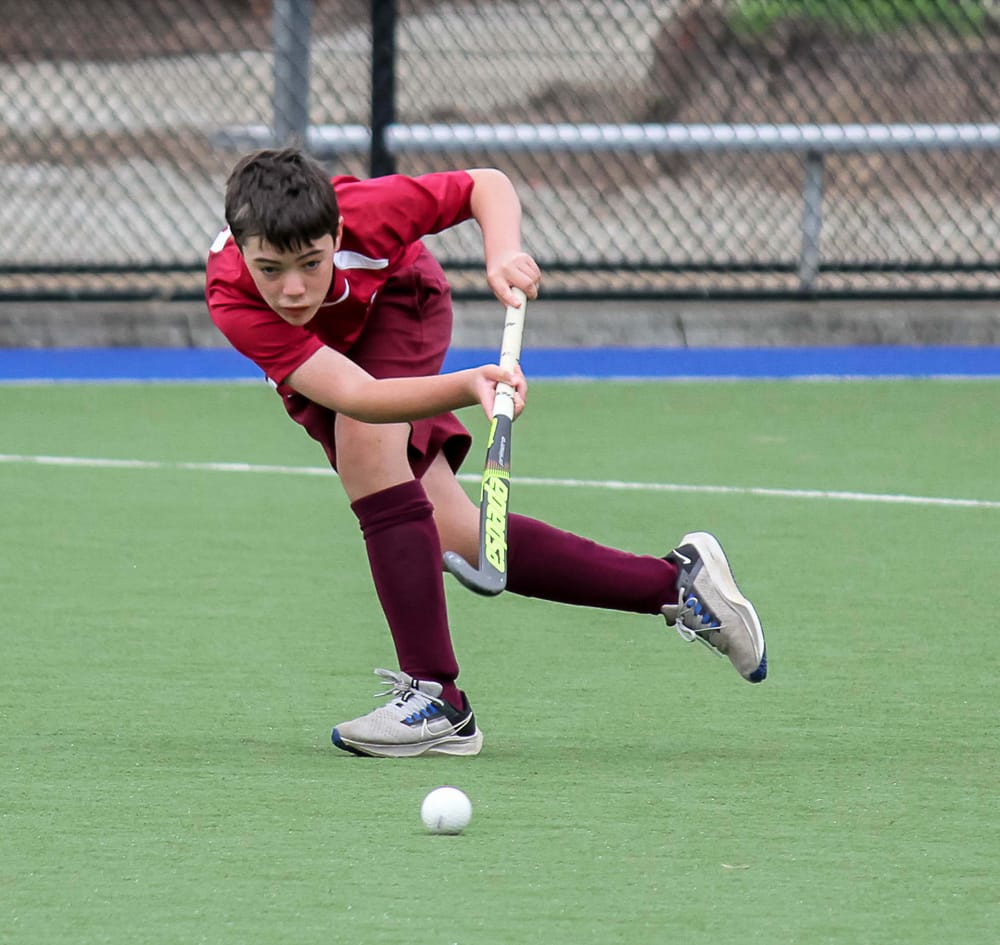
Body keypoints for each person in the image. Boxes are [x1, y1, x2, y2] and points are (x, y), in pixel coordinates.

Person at [205, 147, 767, 759]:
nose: (291, 288)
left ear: (337, 232)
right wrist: (472, 385)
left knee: (368, 451)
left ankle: (435, 696)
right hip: (331, 365)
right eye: (270, 269)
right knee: (455, 534)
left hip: (400, 305)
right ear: (240, 251)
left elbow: (484, 186)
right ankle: (678, 584)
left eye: (311, 264)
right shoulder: (232, 296)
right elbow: (358, 393)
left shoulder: (369, 211)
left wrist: (502, 254)